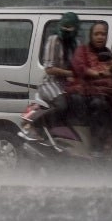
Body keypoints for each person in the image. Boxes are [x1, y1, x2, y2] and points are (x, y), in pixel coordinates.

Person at [22, 11, 79, 140]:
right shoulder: (54, 40)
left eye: (70, 27)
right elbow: (49, 69)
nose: (67, 30)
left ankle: (62, 136)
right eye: (65, 27)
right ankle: (33, 124)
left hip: (67, 84)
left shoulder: (75, 43)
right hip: (51, 83)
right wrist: (69, 73)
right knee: (62, 105)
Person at [71, 20, 112, 154]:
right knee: (100, 105)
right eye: (96, 34)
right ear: (91, 36)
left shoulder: (107, 52)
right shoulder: (83, 51)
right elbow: (80, 68)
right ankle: (96, 148)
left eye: (103, 34)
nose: (100, 37)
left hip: (108, 95)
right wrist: (99, 73)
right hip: (87, 94)